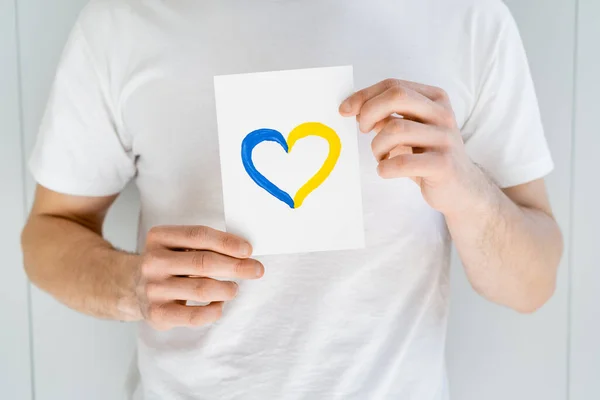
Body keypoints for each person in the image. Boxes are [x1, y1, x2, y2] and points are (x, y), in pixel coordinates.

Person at [21, 0, 563, 399]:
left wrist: (467, 190)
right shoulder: (122, 22)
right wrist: (131, 286)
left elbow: (533, 282)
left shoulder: (466, 18)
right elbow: (49, 232)